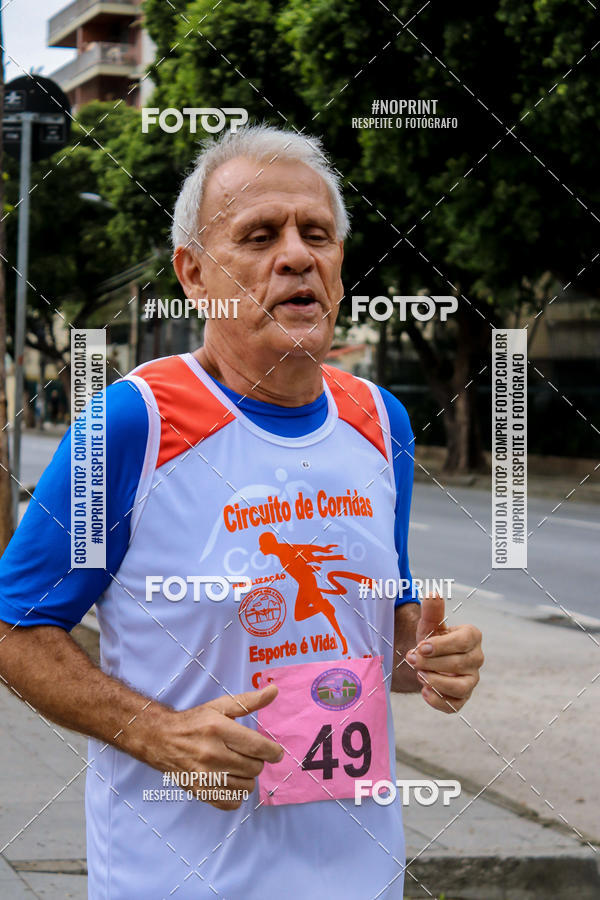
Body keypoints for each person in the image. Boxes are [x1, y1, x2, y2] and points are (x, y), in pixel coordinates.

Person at [0, 125, 483, 899]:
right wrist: (155, 734)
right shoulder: (134, 425)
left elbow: (374, 636)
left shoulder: (380, 419)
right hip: (179, 879)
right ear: (194, 274)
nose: (297, 256)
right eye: (260, 236)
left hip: (362, 875)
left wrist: (429, 660)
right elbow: (16, 628)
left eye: (316, 235)